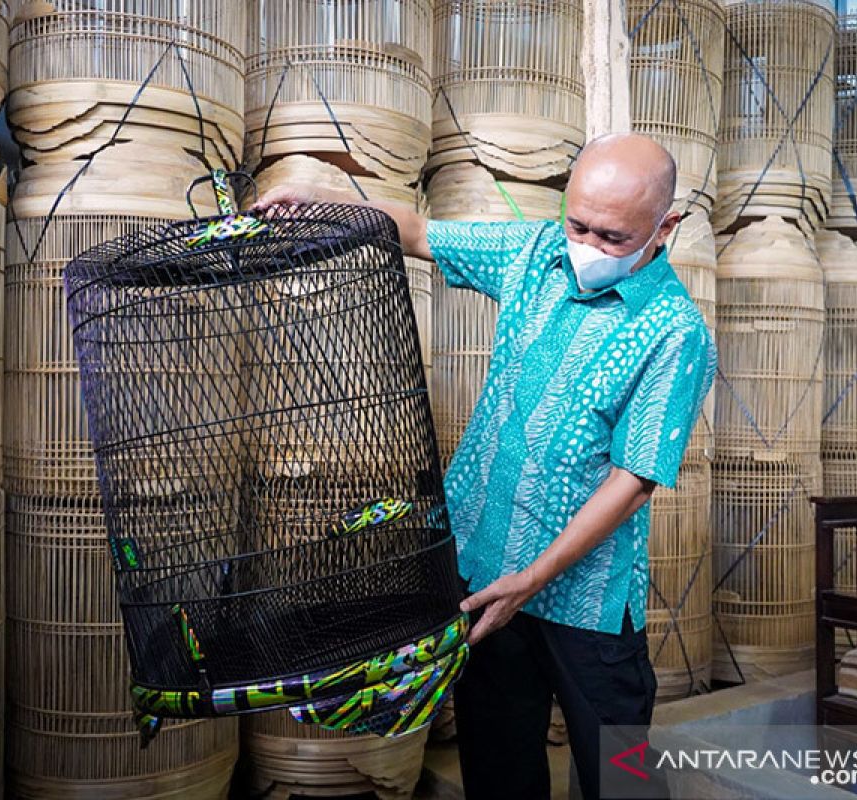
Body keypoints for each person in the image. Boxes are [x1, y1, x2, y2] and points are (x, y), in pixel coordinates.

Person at [253, 133, 716, 800]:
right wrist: (325, 200)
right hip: (482, 573)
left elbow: (632, 479)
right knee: (497, 765)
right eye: (577, 223)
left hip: (585, 599)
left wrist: (531, 579)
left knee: (623, 775)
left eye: (613, 237)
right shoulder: (533, 254)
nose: (586, 246)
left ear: (663, 226)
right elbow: (417, 230)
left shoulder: (675, 331)